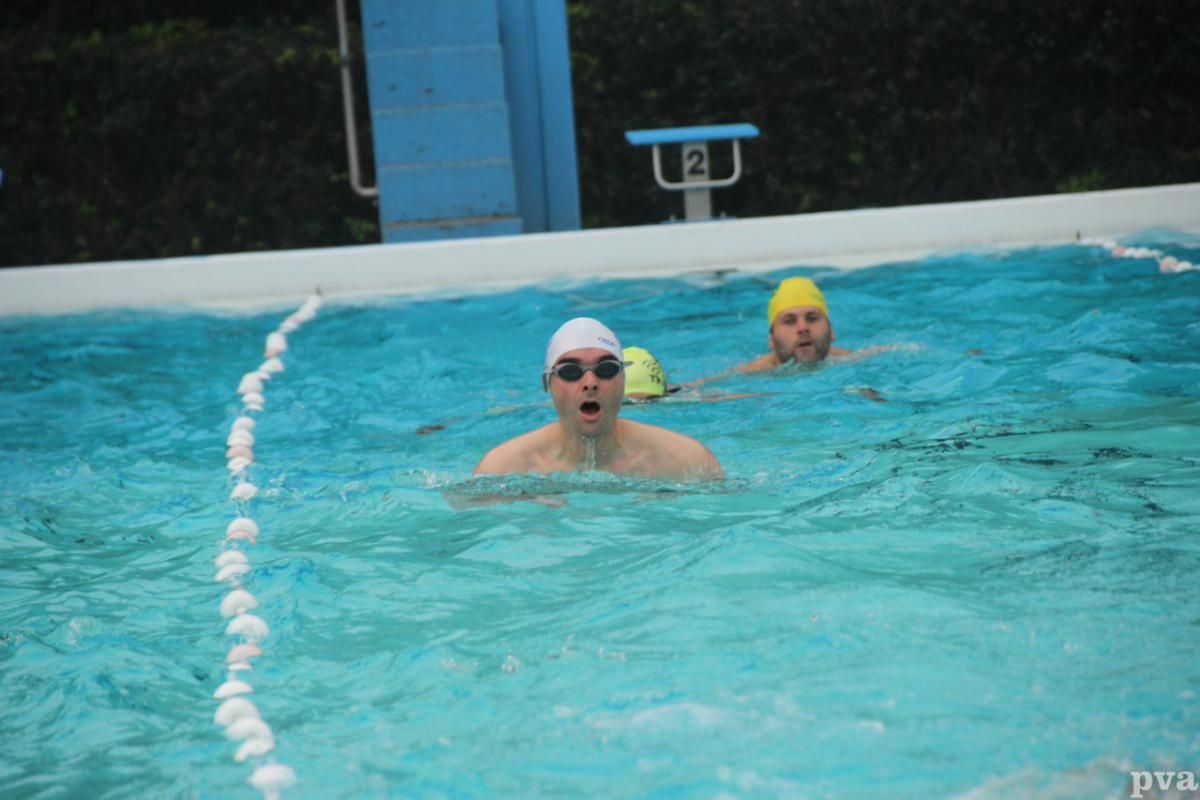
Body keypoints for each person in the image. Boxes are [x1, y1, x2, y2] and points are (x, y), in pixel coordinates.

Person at [473, 318, 723, 480]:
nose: (590, 382)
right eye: (570, 371)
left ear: (623, 380)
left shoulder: (686, 462)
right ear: (547, 384)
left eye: (606, 369)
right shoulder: (501, 469)